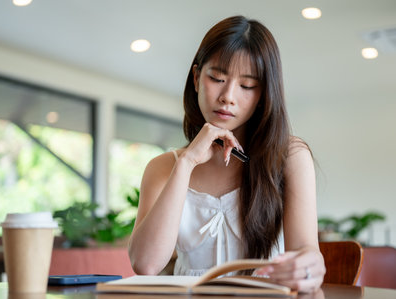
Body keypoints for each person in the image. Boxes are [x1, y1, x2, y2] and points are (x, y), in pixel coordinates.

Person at [128, 15, 325, 293]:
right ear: (196, 78)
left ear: (263, 95)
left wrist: (309, 266)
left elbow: (306, 252)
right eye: (217, 78)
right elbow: (145, 265)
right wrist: (186, 163)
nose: (228, 96)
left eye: (247, 86)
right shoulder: (162, 167)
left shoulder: (289, 157)